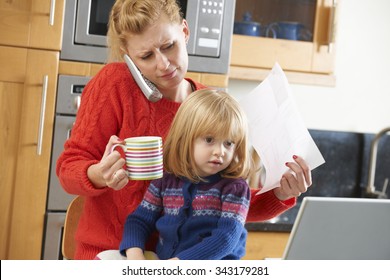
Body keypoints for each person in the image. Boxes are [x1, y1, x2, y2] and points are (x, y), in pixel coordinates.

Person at [56, 0, 312, 260]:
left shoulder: (208, 106)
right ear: (128, 55)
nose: (163, 64)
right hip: (110, 253)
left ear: (185, 32)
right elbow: (68, 168)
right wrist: (99, 175)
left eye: (169, 46)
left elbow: (224, 205)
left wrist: (281, 193)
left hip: (178, 261)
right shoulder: (113, 84)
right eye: (146, 56)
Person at [120, 89, 252, 260]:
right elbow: (139, 220)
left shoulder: (235, 189)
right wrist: (135, 255)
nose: (220, 152)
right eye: (209, 140)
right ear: (185, 138)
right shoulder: (165, 181)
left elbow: (225, 239)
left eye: (228, 143)